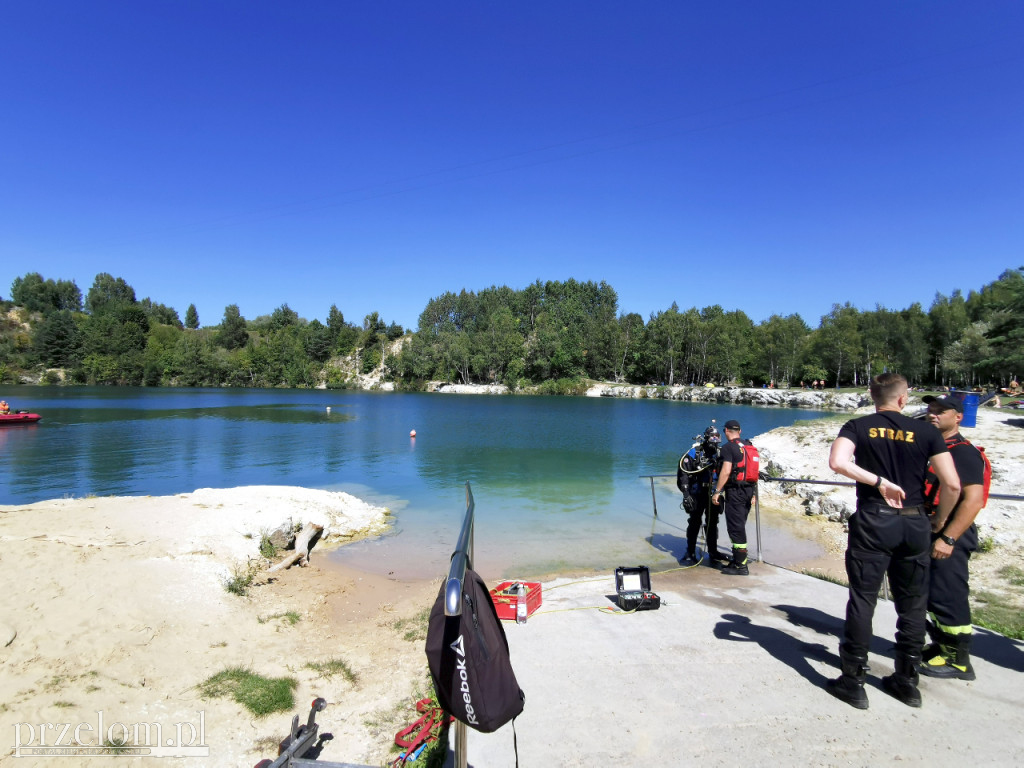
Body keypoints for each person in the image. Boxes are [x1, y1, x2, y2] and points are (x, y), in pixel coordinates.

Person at [825, 372, 960, 710]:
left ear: (873, 396)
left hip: (874, 519)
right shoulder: (928, 432)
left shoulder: (859, 425)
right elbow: (953, 486)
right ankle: (907, 680)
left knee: (863, 598)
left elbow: (838, 462)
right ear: (903, 399)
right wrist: (939, 522)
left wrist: (879, 481)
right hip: (915, 522)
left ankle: (853, 681)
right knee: (913, 601)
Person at [920, 392, 986, 680]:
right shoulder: (936, 449)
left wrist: (948, 539)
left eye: (941, 411)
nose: (933, 414)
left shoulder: (963, 453)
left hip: (950, 534)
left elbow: (973, 500)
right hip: (930, 528)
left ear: (958, 417)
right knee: (932, 595)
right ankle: (940, 646)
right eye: (931, 409)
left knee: (949, 596)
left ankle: (958, 660)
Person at [676, 425, 730, 567]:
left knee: (712, 523)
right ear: (706, 438)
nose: (715, 441)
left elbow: (729, 471)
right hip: (697, 493)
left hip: (713, 494)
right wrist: (686, 494)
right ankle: (690, 552)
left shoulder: (720, 453)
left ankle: (713, 552)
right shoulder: (695, 453)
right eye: (712, 437)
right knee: (694, 522)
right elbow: (683, 474)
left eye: (717, 438)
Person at [711, 420, 758, 576]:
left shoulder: (728, 447)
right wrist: (755, 494)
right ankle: (738, 560)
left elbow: (725, 471)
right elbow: (752, 471)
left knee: (735, 528)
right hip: (748, 491)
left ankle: (741, 566)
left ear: (726, 431)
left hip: (735, 492)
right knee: (740, 524)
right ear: (740, 430)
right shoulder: (748, 445)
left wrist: (717, 491)